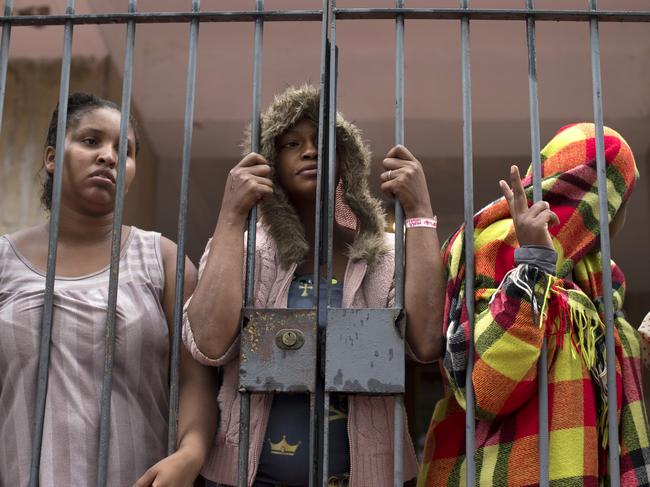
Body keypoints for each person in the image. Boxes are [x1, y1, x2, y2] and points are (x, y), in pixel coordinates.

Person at [182, 84, 446, 486]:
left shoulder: (387, 255)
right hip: (246, 479)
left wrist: (420, 211)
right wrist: (232, 216)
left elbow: (426, 345)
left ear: (346, 160)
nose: (310, 151)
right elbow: (208, 344)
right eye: (292, 143)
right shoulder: (245, 248)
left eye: (323, 142)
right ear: (271, 160)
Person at [0, 92, 217, 486]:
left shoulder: (163, 260)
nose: (109, 156)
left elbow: (197, 379)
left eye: (125, 150)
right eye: (90, 141)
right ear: (51, 157)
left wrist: (190, 452)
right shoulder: (3, 261)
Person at [418, 123, 650, 485]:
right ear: (596, 194)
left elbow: (590, 367)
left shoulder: (594, 271)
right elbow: (487, 389)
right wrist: (533, 265)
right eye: (622, 195)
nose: (623, 213)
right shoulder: (499, 243)